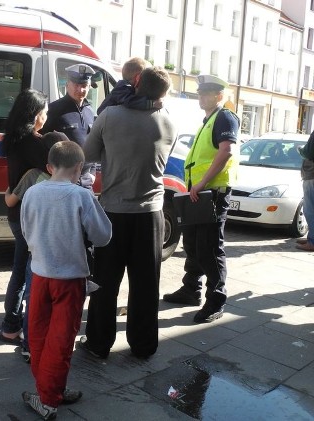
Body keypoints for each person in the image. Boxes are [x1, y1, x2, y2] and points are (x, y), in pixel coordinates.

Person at [78, 66, 175, 360]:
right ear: (162, 94)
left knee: (105, 282)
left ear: (135, 84)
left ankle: (98, 343)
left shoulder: (109, 116)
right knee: (146, 284)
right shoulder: (169, 123)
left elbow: (88, 155)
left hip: (113, 212)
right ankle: (144, 345)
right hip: (151, 214)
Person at [20, 140, 112, 419]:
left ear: (49, 167)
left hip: (39, 275)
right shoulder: (81, 196)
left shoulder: (33, 192)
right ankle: (49, 399)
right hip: (70, 280)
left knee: (37, 336)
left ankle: (50, 389)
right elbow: (103, 235)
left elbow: (25, 232)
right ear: (80, 167)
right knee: (61, 339)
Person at [162, 74, 240, 324]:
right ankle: (191, 289)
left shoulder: (225, 117)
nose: (201, 97)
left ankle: (216, 300)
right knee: (193, 244)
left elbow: (226, 151)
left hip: (212, 193)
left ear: (219, 96)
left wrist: (203, 183)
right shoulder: (209, 119)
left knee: (210, 249)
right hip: (200, 192)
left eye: (206, 93)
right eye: (200, 93)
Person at [3, 131, 69, 363]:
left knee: (31, 289)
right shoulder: (70, 182)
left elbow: (11, 201)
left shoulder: (32, 176)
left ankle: (28, 341)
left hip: (33, 242)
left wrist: (8, 190)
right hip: (59, 249)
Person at [0, 89, 50, 344]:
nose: (47, 116)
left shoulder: (12, 140)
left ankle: (10, 325)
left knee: (19, 269)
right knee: (27, 272)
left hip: (14, 214)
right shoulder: (37, 144)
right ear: (36, 115)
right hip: (30, 216)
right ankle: (16, 326)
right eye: (45, 112)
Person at [96, 57, 162, 115]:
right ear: (137, 77)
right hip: (105, 119)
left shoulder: (125, 87)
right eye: (145, 77)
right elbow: (131, 101)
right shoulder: (123, 87)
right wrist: (152, 104)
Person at [296, 130, 314, 251]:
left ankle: (312, 241)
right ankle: (311, 238)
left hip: (312, 174)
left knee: (310, 210)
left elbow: (308, 152)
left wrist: (300, 149)